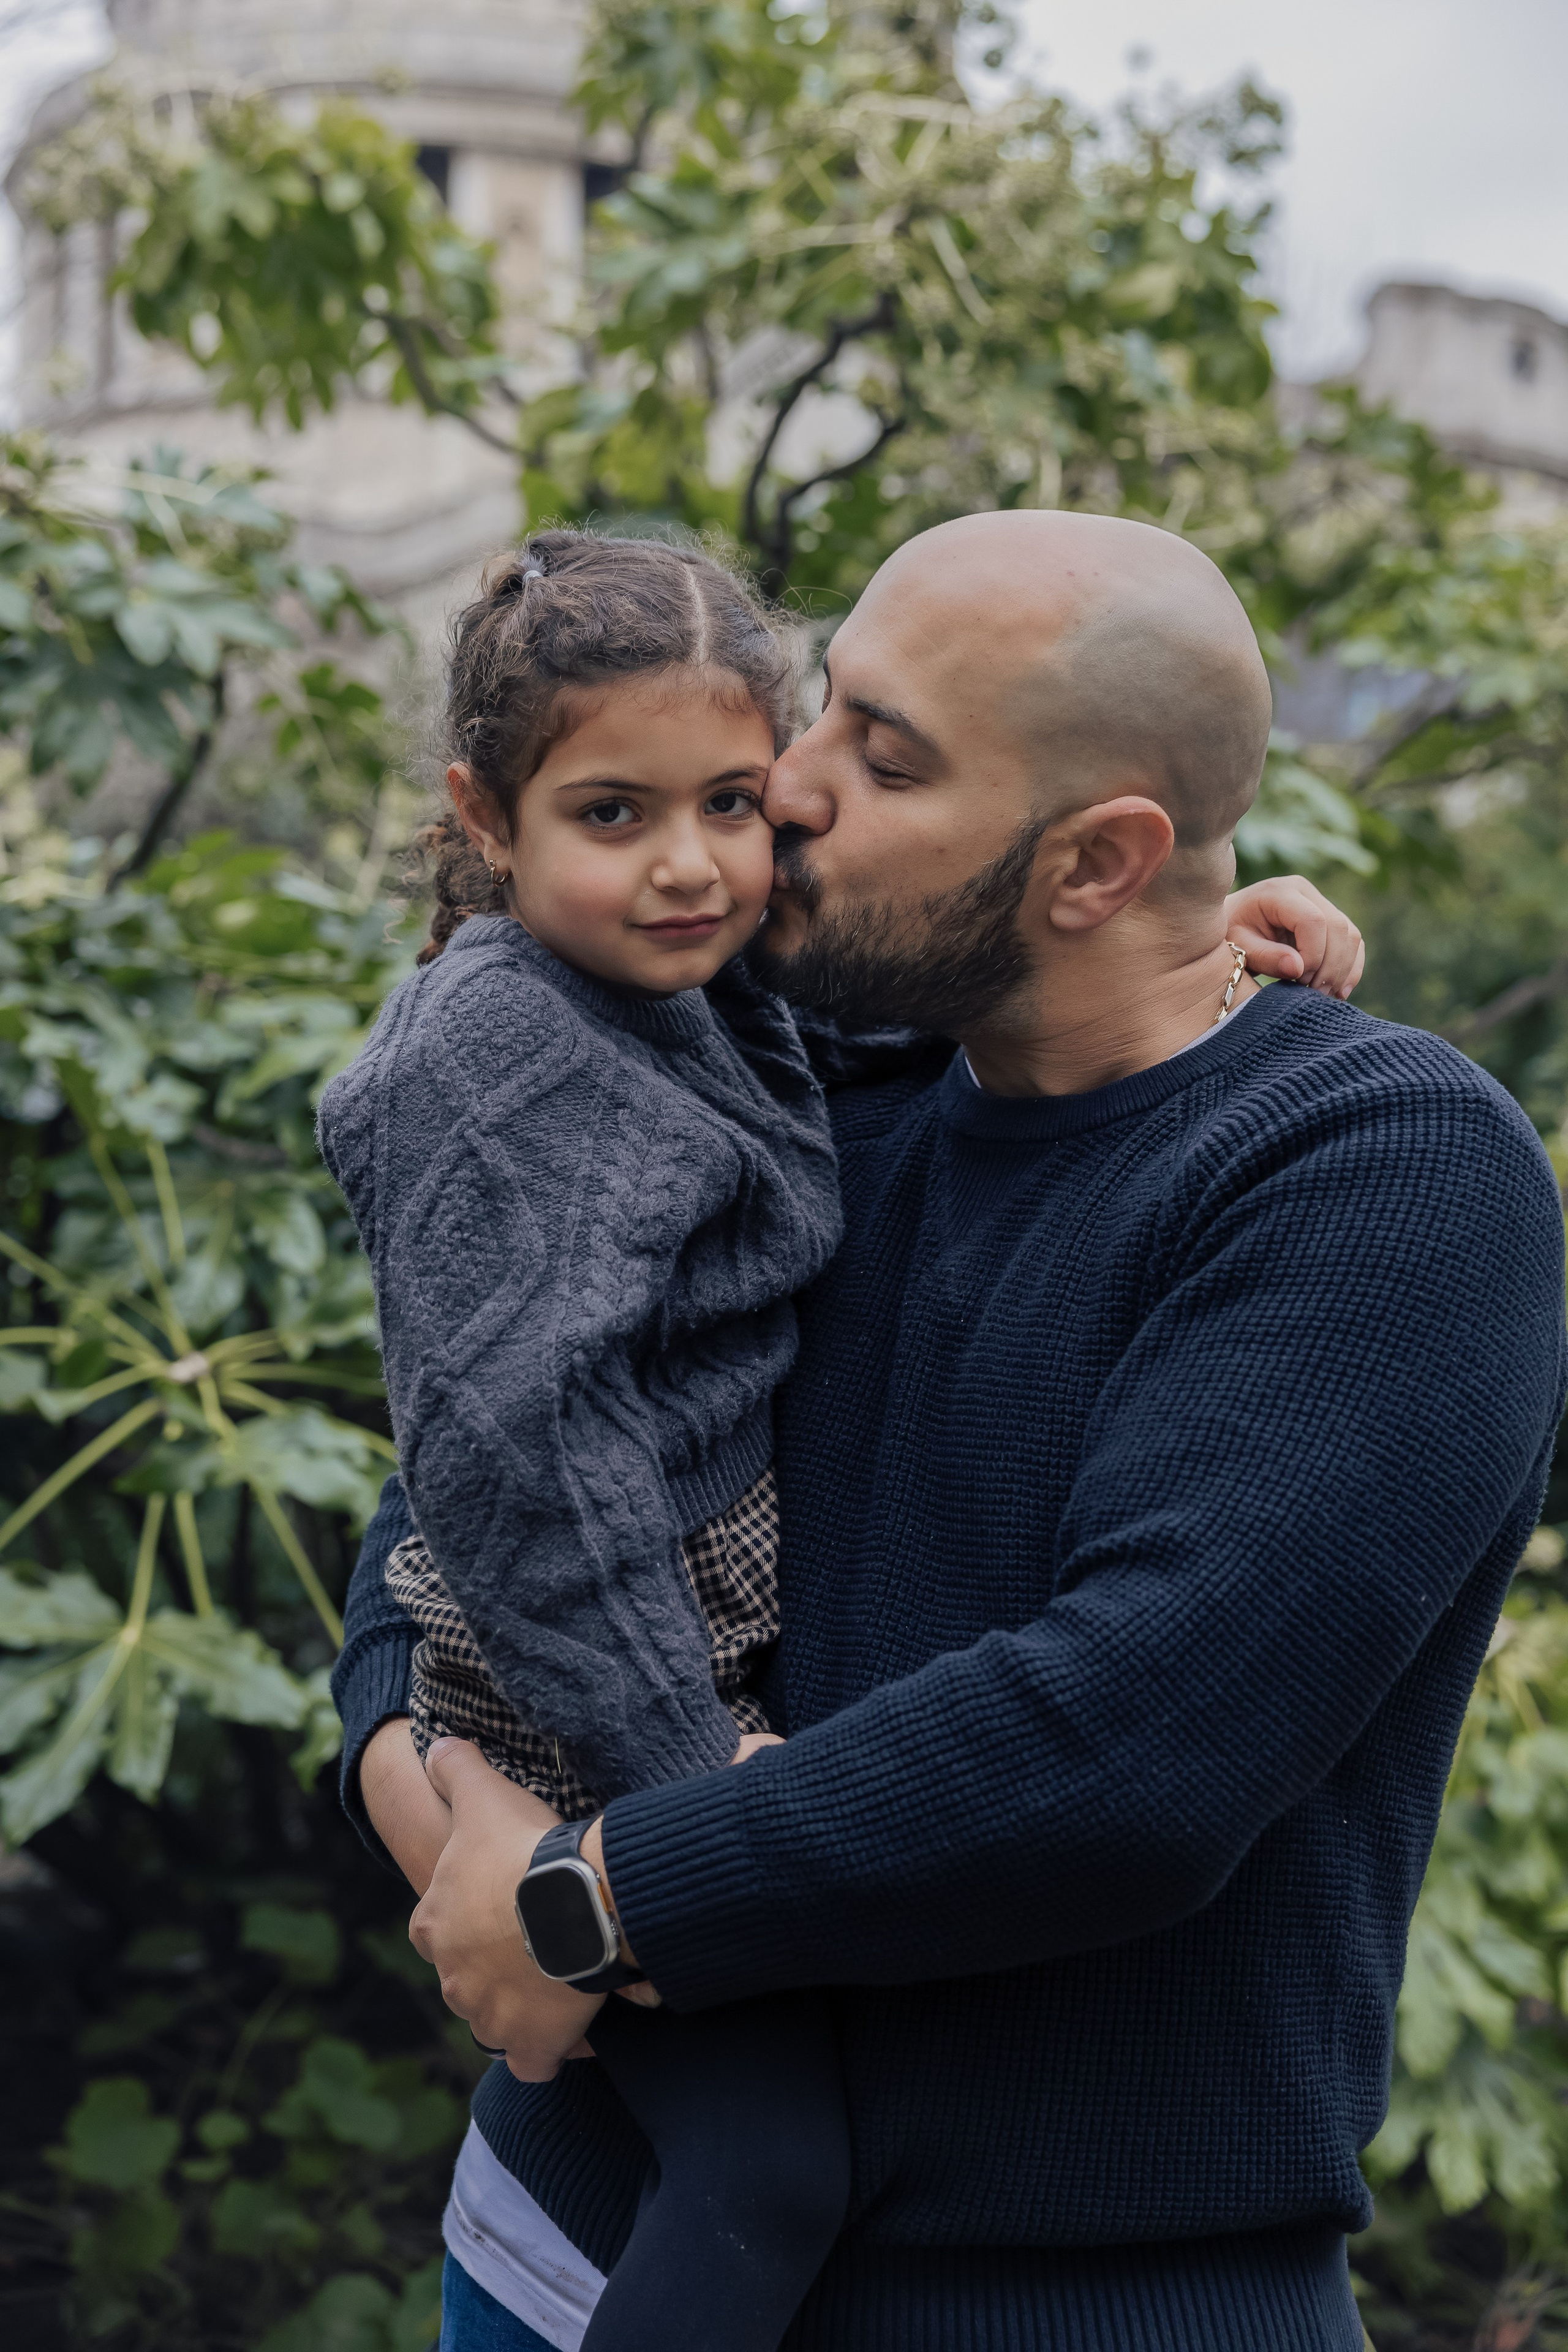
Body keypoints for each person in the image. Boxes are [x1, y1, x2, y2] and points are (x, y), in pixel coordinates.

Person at [336, 510, 1566, 2352]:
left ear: (1099, 863)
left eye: (886, 757)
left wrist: (591, 1902)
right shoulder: (819, 1080)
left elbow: (1124, 1749)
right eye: (825, 706)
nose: (788, 784)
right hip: (559, 2242)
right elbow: (475, 1477)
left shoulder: (1378, 1174)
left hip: (1057, 2301)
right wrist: (442, 1817)